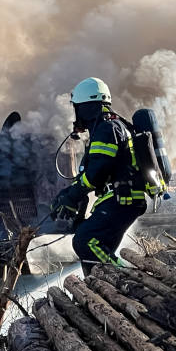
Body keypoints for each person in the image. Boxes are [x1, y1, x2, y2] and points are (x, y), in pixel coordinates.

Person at [50, 77, 153, 276]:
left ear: (87, 107)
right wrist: (70, 198)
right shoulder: (111, 127)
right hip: (122, 200)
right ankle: (101, 286)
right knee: (94, 246)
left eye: (78, 108)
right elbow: (92, 173)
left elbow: (97, 172)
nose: (76, 113)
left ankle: (132, 280)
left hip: (123, 200)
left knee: (85, 241)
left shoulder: (108, 129)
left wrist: (72, 196)